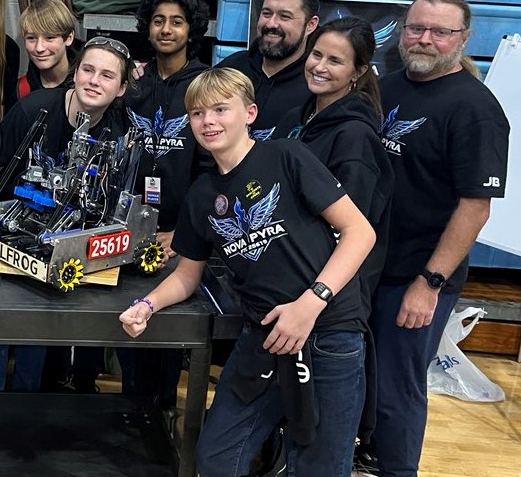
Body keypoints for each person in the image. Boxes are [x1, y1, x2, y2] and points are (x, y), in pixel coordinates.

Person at [119, 67, 376, 477]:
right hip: (263, 336)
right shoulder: (201, 195)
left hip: (327, 330)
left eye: (221, 109)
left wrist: (309, 305)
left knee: (319, 466)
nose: (209, 121)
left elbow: (359, 232)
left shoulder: (286, 157)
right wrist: (147, 304)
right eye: (198, 113)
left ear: (250, 113)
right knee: (218, 456)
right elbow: (188, 276)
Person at [360, 0, 509, 477]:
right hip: (370, 266)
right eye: (416, 28)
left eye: (440, 32)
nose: (424, 40)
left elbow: (475, 208)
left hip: (417, 277)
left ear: (463, 39)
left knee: (397, 392)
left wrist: (429, 284)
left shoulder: (476, 109)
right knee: (363, 382)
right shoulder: (390, 87)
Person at [0, 36, 135, 393]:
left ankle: (28, 400)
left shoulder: (118, 133)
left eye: (107, 76)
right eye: (88, 70)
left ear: (121, 87)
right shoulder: (35, 109)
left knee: (39, 322)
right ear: (75, 73)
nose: (94, 81)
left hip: (64, 242)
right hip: (13, 226)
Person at [119, 0, 211, 416]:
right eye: (159, 21)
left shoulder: (204, 85)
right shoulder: (133, 82)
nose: (166, 29)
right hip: (128, 225)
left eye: (177, 21)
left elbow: (211, 173)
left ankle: (162, 411)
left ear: (191, 30)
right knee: (128, 317)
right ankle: (132, 405)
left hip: (178, 230)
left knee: (169, 327)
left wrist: (183, 232)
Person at [275, 16, 393, 314]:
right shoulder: (293, 118)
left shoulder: (355, 136)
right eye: (316, 54)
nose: (319, 66)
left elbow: (349, 230)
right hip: (285, 277)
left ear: (359, 71)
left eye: (335, 61)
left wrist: (316, 296)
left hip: (325, 297)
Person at [217, 0, 322, 138]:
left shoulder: (316, 88)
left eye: (284, 16)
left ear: (310, 25)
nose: (271, 24)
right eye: (266, 13)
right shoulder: (230, 69)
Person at [16, 0, 82, 98]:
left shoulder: (87, 86)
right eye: (31, 38)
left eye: (49, 37)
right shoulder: (22, 90)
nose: (39, 48)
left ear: (69, 38)